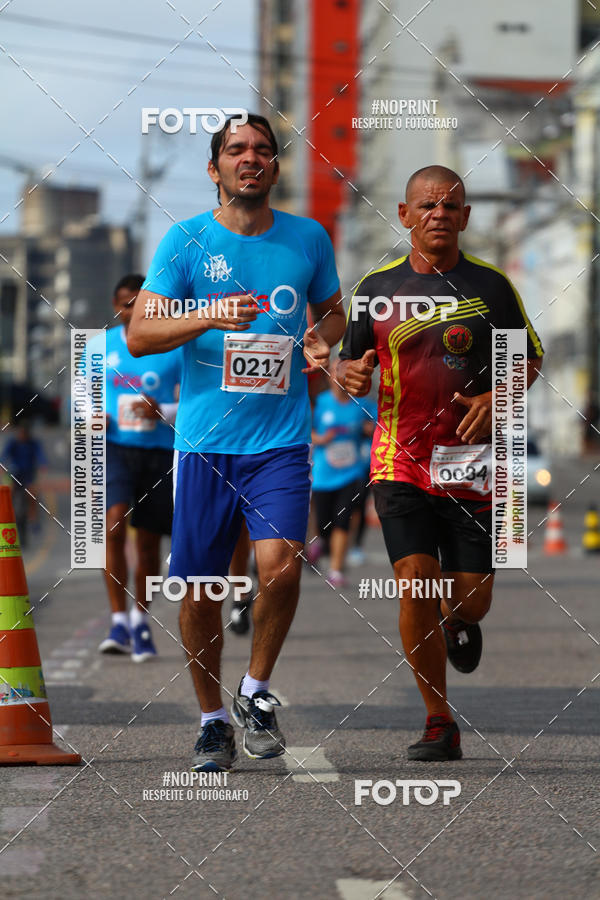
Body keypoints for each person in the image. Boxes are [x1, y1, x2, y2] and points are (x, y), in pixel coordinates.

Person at [127, 114, 345, 771]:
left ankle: (254, 691)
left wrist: (321, 336)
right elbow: (140, 333)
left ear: (275, 168)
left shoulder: (308, 238)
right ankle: (212, 720)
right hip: (203, 446)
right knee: (199, 589)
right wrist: (209, 314)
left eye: (262, 150)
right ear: (216, 166)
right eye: (235, 150)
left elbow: (333, 310)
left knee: (278, 566)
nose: (249, 159)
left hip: (278, 442)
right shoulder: (185, 241)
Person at [338, 165, 544, 761]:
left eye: (451, 206)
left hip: (475, 467)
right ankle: (438, 720)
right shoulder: (375, 290)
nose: (439, 214)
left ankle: (460, 619)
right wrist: (346, 374)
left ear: (466, 218)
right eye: (427, 205)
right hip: (399, 464)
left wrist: (493, 397)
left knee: (472, 599)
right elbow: (353, 368)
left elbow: (528, 360)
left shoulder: (493, 287)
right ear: (404, 215)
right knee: (416, 584)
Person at [95, 274, 183, 663]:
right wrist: (93, 417)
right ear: (116, 306)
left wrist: (161, 411)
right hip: (114, 447)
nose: (133, 309)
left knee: (148, 543)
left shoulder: (174, 346)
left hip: (160, 452)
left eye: (140, 301)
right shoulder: (100, 346)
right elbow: (82, 397)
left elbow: (198, 405)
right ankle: (117, 620)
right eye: (126, 302)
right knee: (114, 525)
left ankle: (139, 619)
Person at [310, 360, 374, 585]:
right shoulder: (321, 403)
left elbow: (379, 425)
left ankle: (336, 570)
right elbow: (307, 430)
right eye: (337, 373)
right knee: (324, 523)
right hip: (323, 475)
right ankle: (320, 543)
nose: (341, 378)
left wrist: (370, 429)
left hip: (351, 473)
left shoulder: (361, 404)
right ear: (329, 377)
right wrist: (320, 438)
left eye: (346, 373)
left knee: (343, 520)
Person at [1, 423, 48, 545]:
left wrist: (43, 464)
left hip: (28, 477)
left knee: (32, 495)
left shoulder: (33, 443)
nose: (22, 436)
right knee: (7, 492)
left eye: (24, 434)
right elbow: (4, 455)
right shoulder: (13, 443)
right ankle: (5, 514)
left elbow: (40, 455)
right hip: (14, 475)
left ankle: (33, 520)